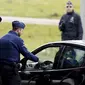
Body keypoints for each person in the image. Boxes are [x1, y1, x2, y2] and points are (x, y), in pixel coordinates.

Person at [0, 21, 39, 85]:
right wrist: (37, 59)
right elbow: (26, 54)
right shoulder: (17, 40)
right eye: (22, 30)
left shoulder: (2, 38)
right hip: (11, 69)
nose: (22, 33)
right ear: (18, 30)